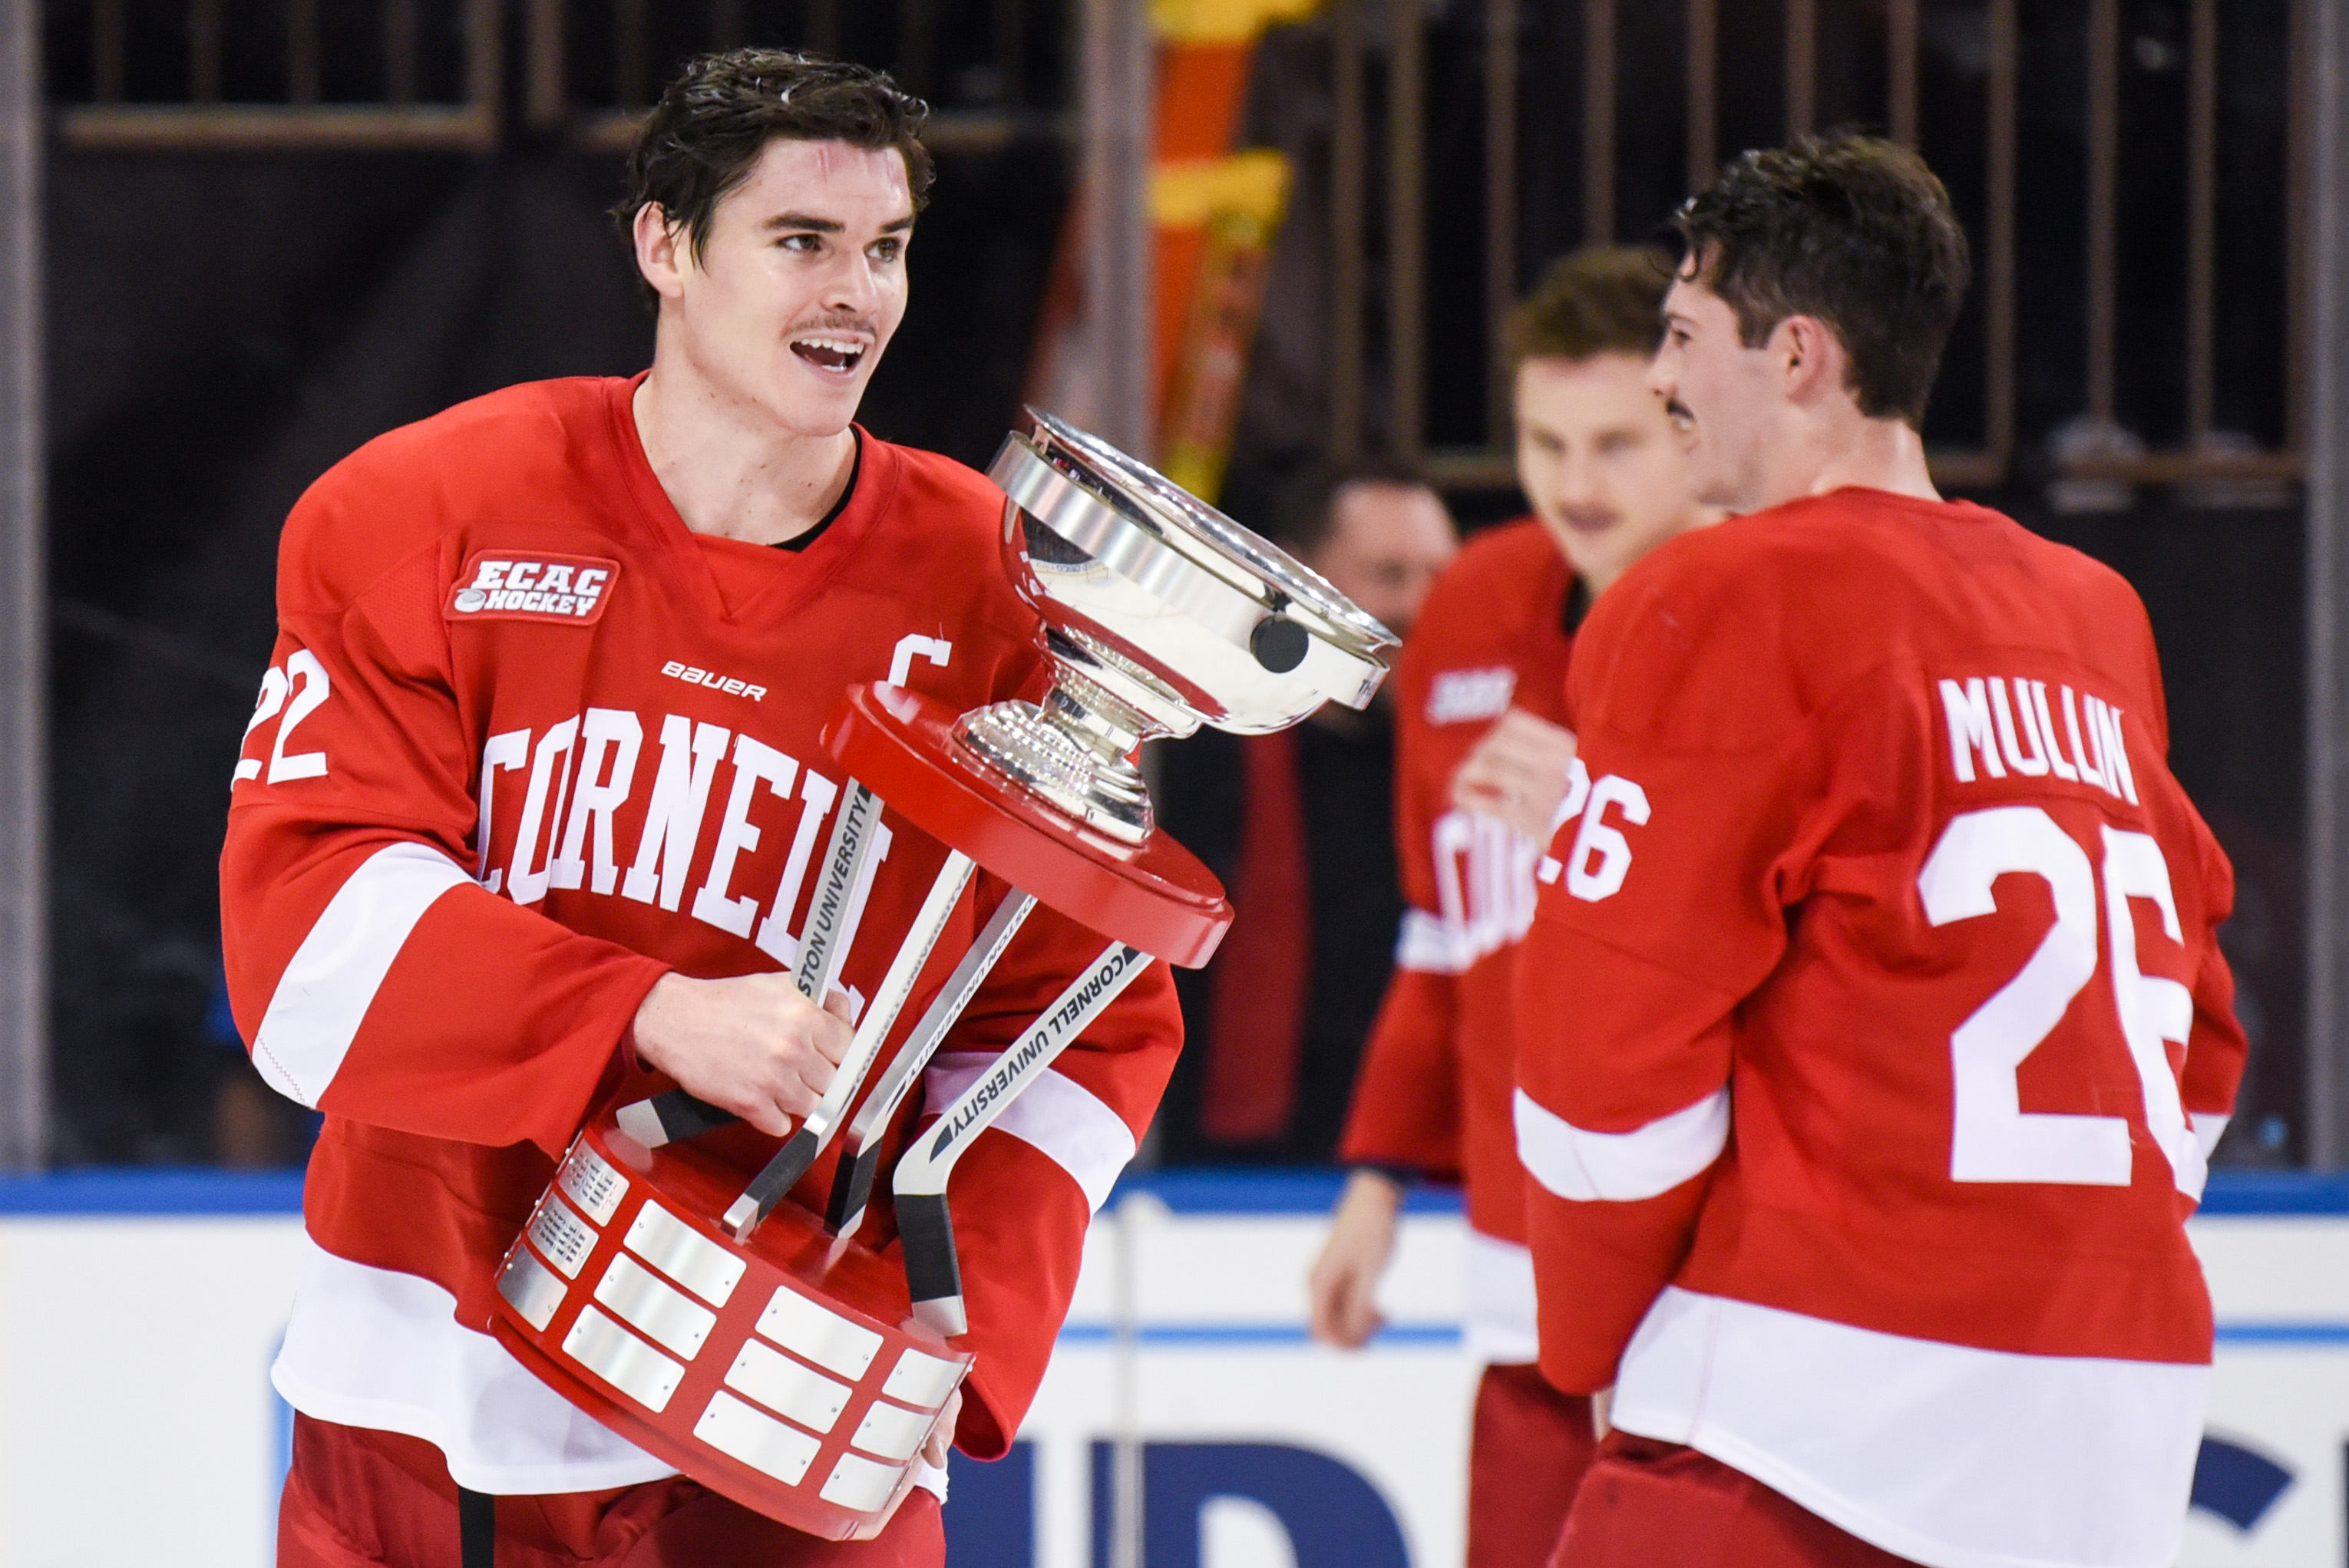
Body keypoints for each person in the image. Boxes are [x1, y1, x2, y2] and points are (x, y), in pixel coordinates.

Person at [219, 51, 1183, 1568]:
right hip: (441, 1376)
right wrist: (643, 1013)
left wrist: (968, 1315)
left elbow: (1082, 1013)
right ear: (666, 245)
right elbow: (305, 945)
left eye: (887, 249)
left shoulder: (993, 593)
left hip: (799, 1403)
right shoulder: (420, 511)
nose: (855, 293)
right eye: (801, 241)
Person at [1518, 134, 2245, 1568]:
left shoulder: (1716, 594)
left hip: (1810, 1417)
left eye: (1680, 334)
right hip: (2118, 1422)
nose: (1659, 380)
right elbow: (2201, 1032)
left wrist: (1598, 1343)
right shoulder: (2093, 611)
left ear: (1795, 355)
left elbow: (1605, 1058)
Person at [1304, 247, 1714, 1566]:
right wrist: (1374, 1176)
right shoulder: (1475, 605)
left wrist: (1599, 808)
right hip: (1515, 1271)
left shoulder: (1769, 614)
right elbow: (1443, 928)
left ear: (1688, 419)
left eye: (1613, 443)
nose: (1574, 485)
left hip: (1716, 1279)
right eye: (1543, 442)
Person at [1152, 462, 1458, 1164]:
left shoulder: (1470, 759)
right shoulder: (1192, 746)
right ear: (1302, 582)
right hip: (1217, 1181)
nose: (1424, 605)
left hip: (1417, 1167)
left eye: (1443, 576)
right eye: (1389, 574)